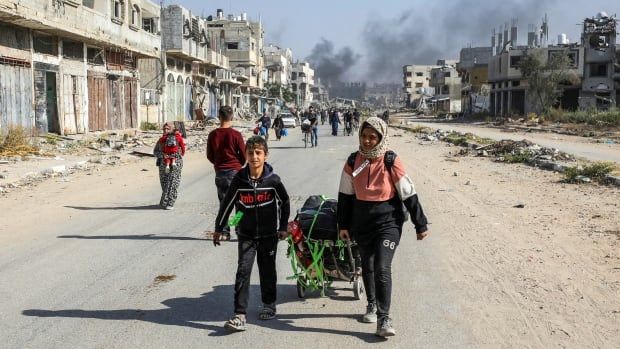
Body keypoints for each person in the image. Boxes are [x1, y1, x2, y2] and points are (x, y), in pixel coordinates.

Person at [337, 116, 429, 337]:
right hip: (362, 222)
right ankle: (371, 304)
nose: (367, 141)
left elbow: (408, 193)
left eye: (372, 137)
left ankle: (384, 318)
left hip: (389, 222)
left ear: (381, 138)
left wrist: (420, 224)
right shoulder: (353, 161)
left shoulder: (391, 160)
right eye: (364, 136)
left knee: (382, 266)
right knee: (367, 265)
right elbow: (345, 196)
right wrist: (343, 225)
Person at [213, 136, 291, 332]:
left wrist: (282, 227)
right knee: (243, 271)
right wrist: (221, 228)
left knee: (267, 271)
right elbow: (230, 205)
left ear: (266, 155)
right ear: (246, 155)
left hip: (268, 235)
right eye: (250, 153)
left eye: (258, 153)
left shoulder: (273, 180)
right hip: (246, 235)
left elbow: (285, 202)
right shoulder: (239, 180)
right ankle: (239, 314)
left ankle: (269, 305)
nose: (254, 157)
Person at [207, 105, 246, 240]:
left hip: (220, 174)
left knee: (224, 204)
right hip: (235, 173)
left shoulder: (213, 135)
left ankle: (224, 232)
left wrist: (218, 165)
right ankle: (239, 229)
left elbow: (209, 155)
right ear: (232, 116)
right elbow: (243, 155)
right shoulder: (236, 135)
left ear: (219, 116)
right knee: (239, 205)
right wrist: (238, 165)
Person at [153, 122, 186, 210]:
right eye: (164, 129)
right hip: (163, 165)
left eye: (168, 129)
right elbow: (155, 152)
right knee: (164, 184)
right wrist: (163, 155)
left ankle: (170, 202)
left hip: (174, 164)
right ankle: (164, 201)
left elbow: (182, 151)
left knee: (172, 183)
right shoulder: (160, 140)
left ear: (172, 130)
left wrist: (173, 156)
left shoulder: (177, 139)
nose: (165, 130)